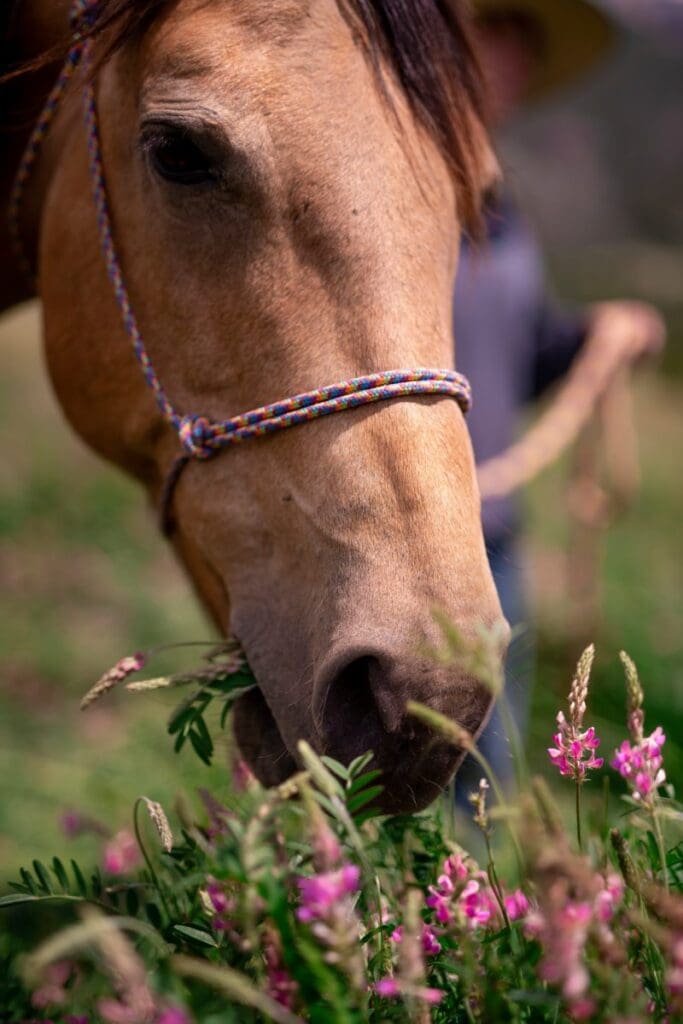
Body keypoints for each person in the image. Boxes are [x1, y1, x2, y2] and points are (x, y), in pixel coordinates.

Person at [454, 0, 666, 792]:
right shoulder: (392, 201)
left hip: (493, 530)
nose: (508, 65)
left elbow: (521, 353)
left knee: (486, 768)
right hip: (399, 528)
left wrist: (591, 337)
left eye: (522, 48)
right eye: (490, 39)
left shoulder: (505, 213)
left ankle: (465, 916)